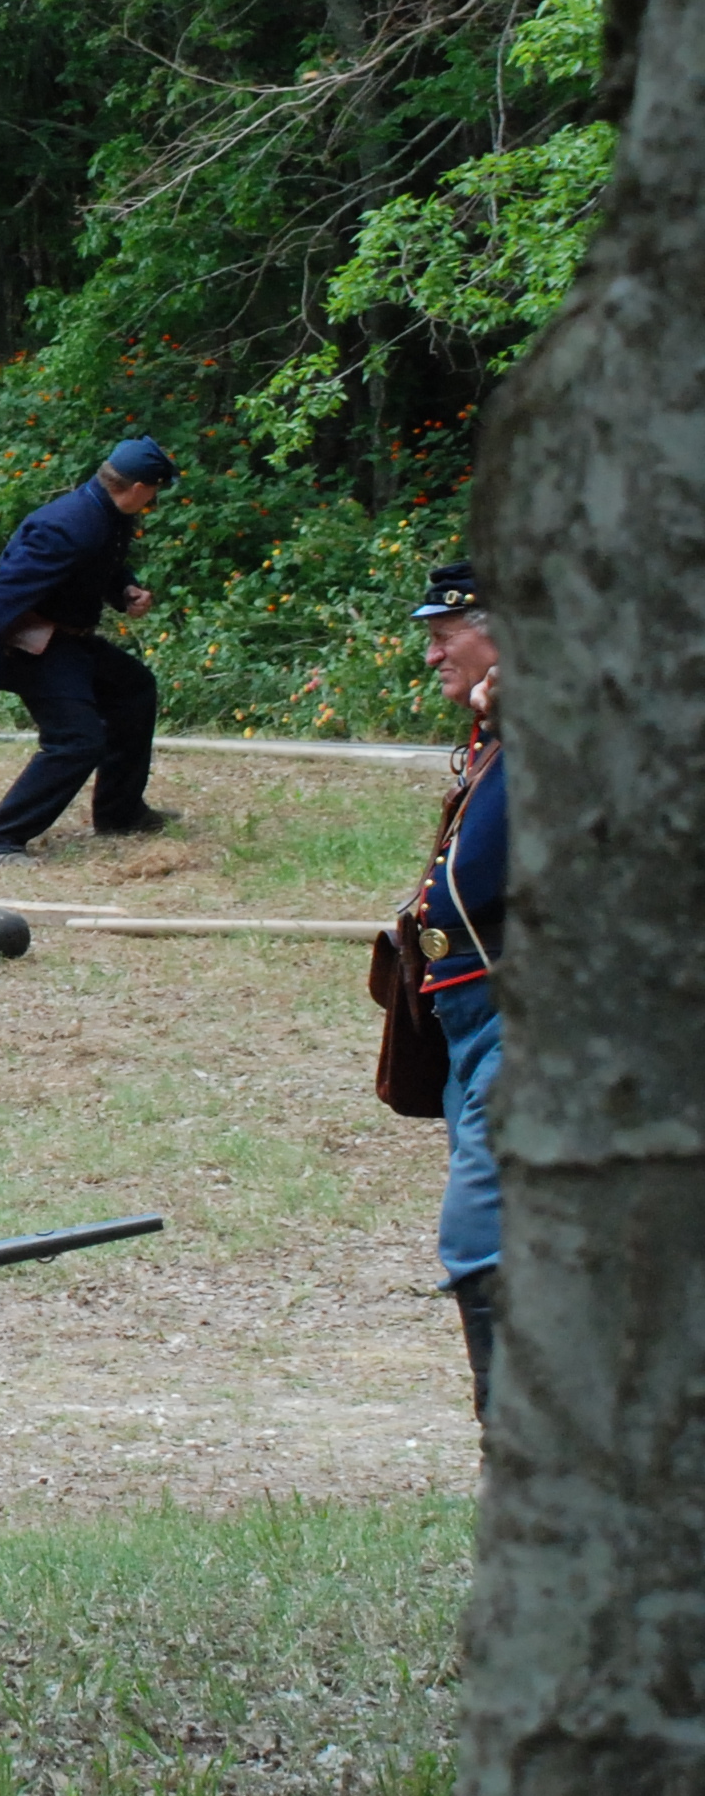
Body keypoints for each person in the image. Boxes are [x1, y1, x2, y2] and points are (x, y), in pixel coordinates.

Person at [0, 436, 183, 865]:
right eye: (155, 491)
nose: (154, 499)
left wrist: (124, 589)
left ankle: (119, 813)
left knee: (134, 688)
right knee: (78, 740)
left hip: (72, 640)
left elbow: (97, 566)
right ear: (139, 488)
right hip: (32, 646)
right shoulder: (65, 525)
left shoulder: (106, 513)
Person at [408, 562, 506, 1417]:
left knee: (485, 1241)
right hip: (470, 1023)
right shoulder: (494, 734)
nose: (434, 652)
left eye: (449, 635)